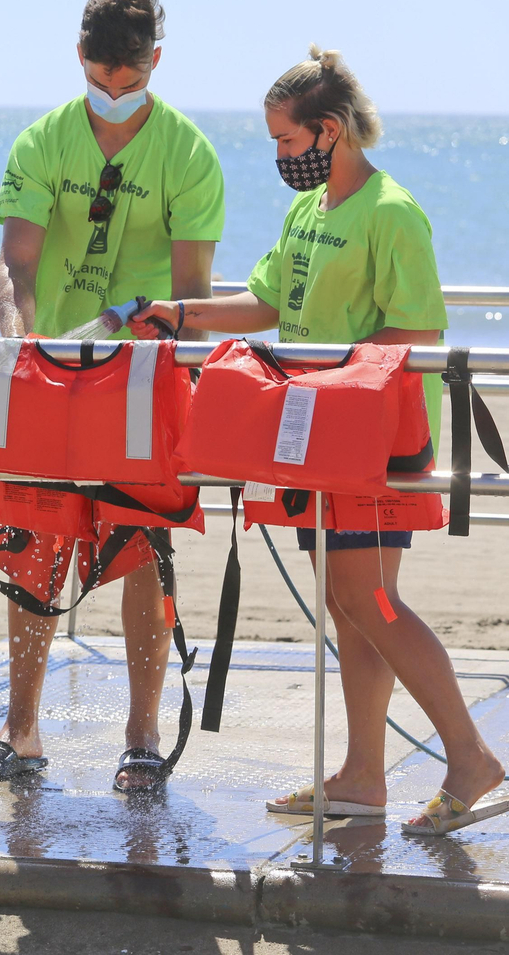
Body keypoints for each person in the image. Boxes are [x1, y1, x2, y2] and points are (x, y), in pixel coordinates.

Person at [132, 46, 506, 836]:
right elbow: (268, 301)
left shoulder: (392, 212)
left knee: (370, 597)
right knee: (345, 605)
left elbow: (419, 329)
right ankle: (364, 776)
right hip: (313, 440)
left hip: (374, 442)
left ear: (329, 131)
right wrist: (181, 312)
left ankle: (470, 756)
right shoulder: (309, 212)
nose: (279, 158)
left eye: (287, 142)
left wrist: (329, 374)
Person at [0, 0, 224, 793]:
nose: (114, 91)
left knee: (140, 548)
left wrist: (169, 358)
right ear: (80, 58)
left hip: (142, 378)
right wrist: (20, 338)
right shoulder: (43, 142)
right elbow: (18, 263)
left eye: (130, 76)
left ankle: (142, 734)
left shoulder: (188, 153)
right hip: (47, 368)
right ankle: (21, 727)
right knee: (30, 539)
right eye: (102, 75)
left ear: (155, 63)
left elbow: (195, 293)